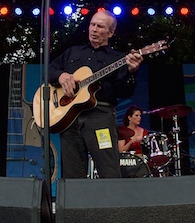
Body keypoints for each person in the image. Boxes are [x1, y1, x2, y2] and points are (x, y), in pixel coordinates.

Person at [48, 10, 142, 178]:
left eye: (100, 26)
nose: (94, 29)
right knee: (72, 173)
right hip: (70, 118)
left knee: (109, 169)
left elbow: (125, 92)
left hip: (100, 116)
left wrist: (131, 72)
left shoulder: (118, 59)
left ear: (111, 32)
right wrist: (61, 76)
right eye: (92, 24)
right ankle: (74, 204)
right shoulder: (72, 52)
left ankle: (111, 204)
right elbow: (49, 70)